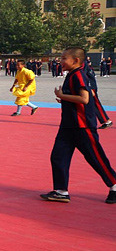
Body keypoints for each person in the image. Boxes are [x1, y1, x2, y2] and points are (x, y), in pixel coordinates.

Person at [41, 48, 116, 204]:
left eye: (64, 58)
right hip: (68, 125)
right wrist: (65, 99)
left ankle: (114, 185)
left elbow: (85, 98)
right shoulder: (72, 75)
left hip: (82, 126)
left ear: (75, 60)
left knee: (95, 158)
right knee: (58, 157)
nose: (60, 61)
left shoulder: (79, 75)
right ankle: (61, 191)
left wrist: (62, 96)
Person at [82, 57, 112, 129]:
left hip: (90, 87)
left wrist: (91, 88)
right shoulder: (83, 64)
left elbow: (86, 76)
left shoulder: (83, 64)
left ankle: (106, 120)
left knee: (95, 104)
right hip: (88, 87)